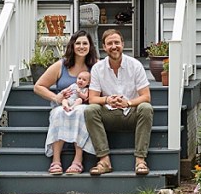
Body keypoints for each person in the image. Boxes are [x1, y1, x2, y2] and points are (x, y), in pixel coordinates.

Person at [85, 28, 153, 176]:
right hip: (109, 114)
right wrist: (107, 99)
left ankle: (140, 160)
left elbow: (146, 96)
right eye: (110, 43)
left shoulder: (135, 65)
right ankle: (104, 160)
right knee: (90, 110)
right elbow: (92, 99)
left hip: (131, 114)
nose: (114, 46)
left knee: (146, 108)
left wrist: (128, 103)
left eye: (117, 42)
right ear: (104, 47)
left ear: (123, 44)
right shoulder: (97, 68)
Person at [33, 30, 99, 175]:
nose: (81, 46)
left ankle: (78, 160)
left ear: (90, 47)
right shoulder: (61, 65)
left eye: (85, 43)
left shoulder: (96, 66)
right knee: (58, 113)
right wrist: (56, 98)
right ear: (72, 46)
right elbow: (38, 87)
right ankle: (56, 160)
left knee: (82, 112)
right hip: (63, 105)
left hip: (84, 106)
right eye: (78, 43)